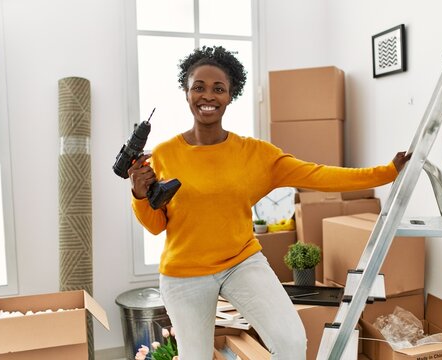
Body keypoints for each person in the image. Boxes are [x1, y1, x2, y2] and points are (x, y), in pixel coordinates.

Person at [128, 45, 411, 360]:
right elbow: (156, 226)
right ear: (186, 92)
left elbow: (319, 175)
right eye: (199, 87)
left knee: (291, 342)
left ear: (231, 95)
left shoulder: (255, 154)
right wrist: (139, 195)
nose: (208, 96)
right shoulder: (165, 153)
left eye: (218, 89)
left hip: (240, 261)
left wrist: (386, 172)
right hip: (184, 272)